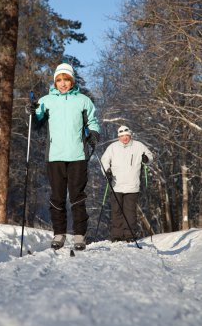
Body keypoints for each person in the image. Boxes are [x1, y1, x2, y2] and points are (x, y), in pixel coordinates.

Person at [29, 63, 100, 250]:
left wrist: (93, 133)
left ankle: (79, 235)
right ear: (55, 82)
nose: (62, 83)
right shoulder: (47, 100)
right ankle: (59, 234)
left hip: (77, 155)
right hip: (55, 156)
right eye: (59, 80)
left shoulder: (83, 100)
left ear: (72, 81)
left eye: (66, 80)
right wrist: (33, 112)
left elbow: (93, 120)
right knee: (57, 197)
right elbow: (37, 122)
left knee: (77, 196)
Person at [101, 125, 153, 242]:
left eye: (126, 136)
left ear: (130, 135)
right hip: (116, 185)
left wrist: (146, 159)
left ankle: (130, 235)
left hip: (132, 185)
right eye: (122, 136)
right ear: (118, 137)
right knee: (116, 211)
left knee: (130, 211)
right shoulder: (112, 147)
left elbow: (150, 156)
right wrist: (107, 172)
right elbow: (105, 161)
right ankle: (117, 235)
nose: (124, 138)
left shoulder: (138, 146)